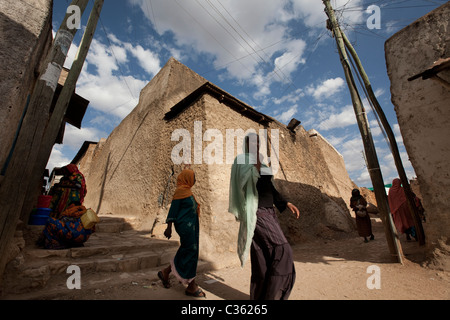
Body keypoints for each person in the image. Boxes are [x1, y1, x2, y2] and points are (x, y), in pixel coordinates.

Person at [228, 133, 299, 300]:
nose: (256, 144)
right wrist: (256, 164)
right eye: (252, 141)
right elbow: (242, 183)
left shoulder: (263, 161)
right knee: (283, 250)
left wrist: (286, 203)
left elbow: (271, 188)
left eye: (258, 142)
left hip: (270, 211)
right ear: (246, 144)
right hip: (256, 212)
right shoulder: (241, 161)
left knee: (262, 257)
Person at [158, 169, 205, 298]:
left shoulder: (187, 192)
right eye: (193, 177)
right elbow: (173, 210)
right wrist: (169, 227)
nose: (195, 180)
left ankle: (165, 272)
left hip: (192, 228)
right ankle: (191, 286)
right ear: (186, 178)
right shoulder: (180, 192)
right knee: (190, 252)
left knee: (187, 251)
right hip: (185, 228)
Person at [37, 164, 94, 250]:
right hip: (79, 236)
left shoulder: (78, 176)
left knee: (53, 221)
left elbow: (80, 186)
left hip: (70, 198)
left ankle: (56, 242)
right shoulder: (84, 215)